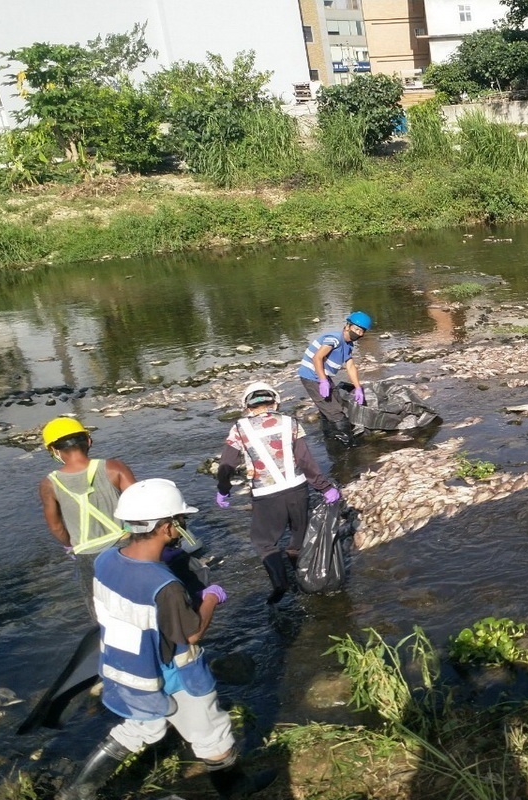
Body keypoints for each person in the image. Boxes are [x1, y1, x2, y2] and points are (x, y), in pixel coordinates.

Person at [59, 479, 275, 800]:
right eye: (180, 521)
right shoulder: (165, 585)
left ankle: (76, 793)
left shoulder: (105, 559)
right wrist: (211, 596)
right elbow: (191, 633)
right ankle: (236, 788)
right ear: (164, 526)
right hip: (173, 672)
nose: (182, 526)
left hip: (127, 667)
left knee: (138, 728)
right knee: (211, 730)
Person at [215, 381, 339, 604]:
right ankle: (305, 580)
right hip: (298, 489)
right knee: (297, 537)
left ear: (247, 406)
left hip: (266, 494)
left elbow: (227, 464)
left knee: (264, 542)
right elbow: (305, 460)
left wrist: (223, 490)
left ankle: (281, 582)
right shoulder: (291, 422)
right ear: (275, 402)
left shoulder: (239, 428)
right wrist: (325, 487)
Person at [39, 417, 136, 612]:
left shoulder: (49, 484)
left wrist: (70, 544)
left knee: (101, 608)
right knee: (137, 600)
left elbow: (56, 526)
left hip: (87, 553)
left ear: (54, 451)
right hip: (126, 545)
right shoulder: (114, 467)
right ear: (88, 441)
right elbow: (139, 503)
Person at [298, 311, 372, 445]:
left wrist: (357, 388)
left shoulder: (348, 345)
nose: (359, 333)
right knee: (337, 415)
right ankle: (347, 447)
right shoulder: (335, 338)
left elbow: (350, 367)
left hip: (322, 375)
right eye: (357, 329)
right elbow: (317, 357)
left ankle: (330, 439)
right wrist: (323, 381)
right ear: (348, 326)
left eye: (362, 331)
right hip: (311, 376)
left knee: (337, 404)